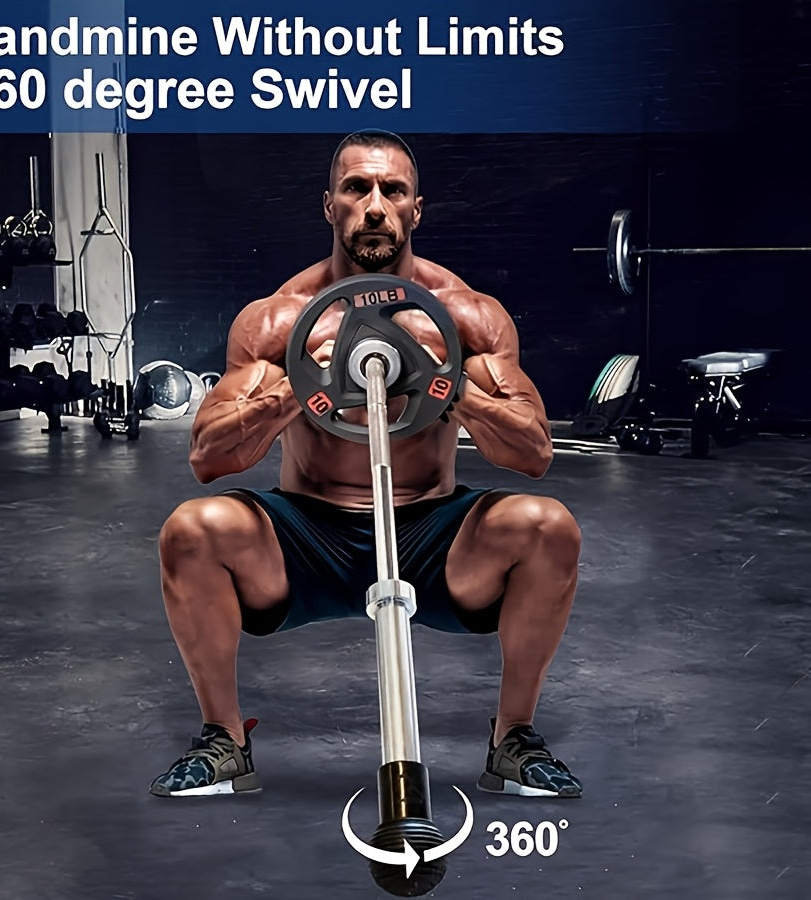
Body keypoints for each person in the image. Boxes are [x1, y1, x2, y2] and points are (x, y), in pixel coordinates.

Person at [150, 130, 582, 799]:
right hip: (306, 538)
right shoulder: (276, 321)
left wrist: (447, 383)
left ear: (416, 210)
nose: (374, 206)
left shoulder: (466, 318)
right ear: (329, 206)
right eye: (357, 188)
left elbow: (532, 454)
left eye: (392, 191)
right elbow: (209, 456)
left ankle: (513, 739)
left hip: (430, 535)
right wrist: (303, 384)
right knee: (192, 528)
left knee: (547, 526)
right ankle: (224, 741)